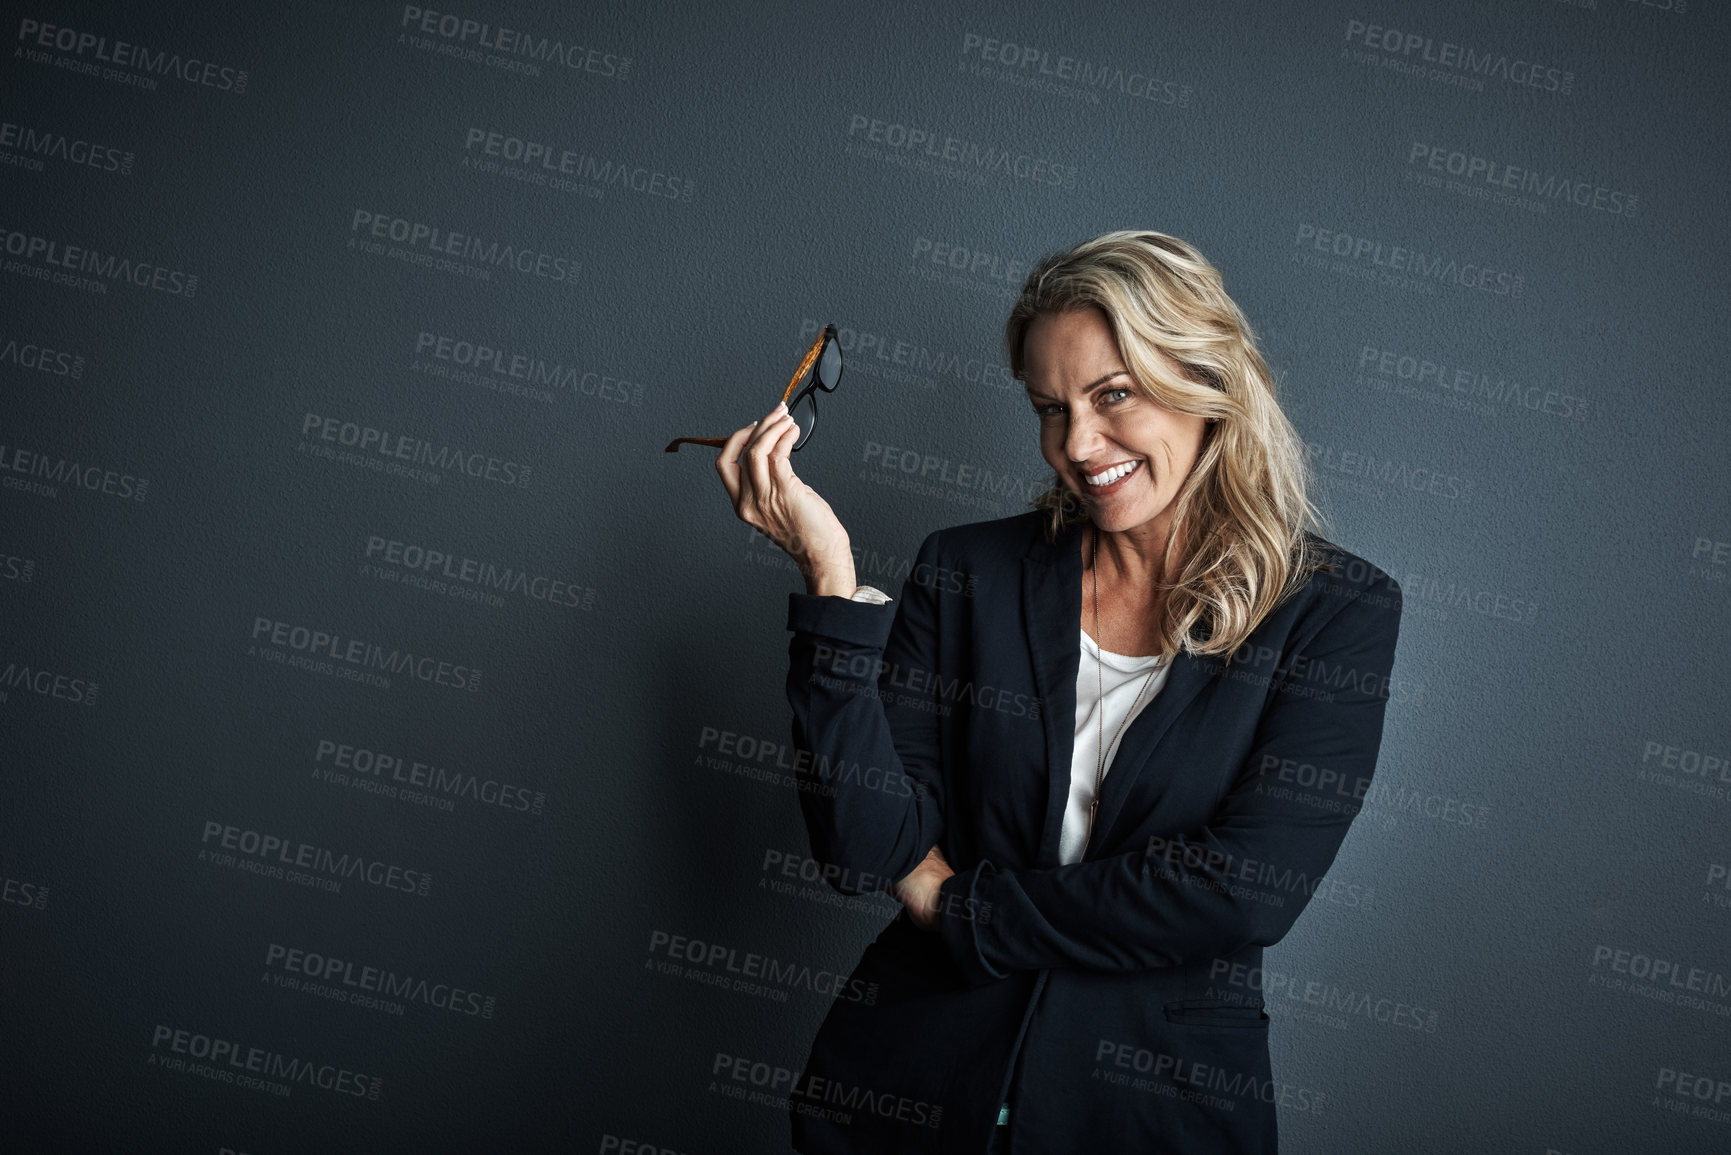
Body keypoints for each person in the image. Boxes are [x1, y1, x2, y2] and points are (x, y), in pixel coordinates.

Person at [713, 230, 1405, 1154]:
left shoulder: (1334, 610)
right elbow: (864, 843)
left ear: (1209, 385)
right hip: (903, 1098)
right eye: (1050, 408)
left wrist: (957, 907)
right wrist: (831, 588)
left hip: (1150, 1116)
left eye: (1112, 395)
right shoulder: (967, 571)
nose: (1077, 445)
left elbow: (1240, 891)